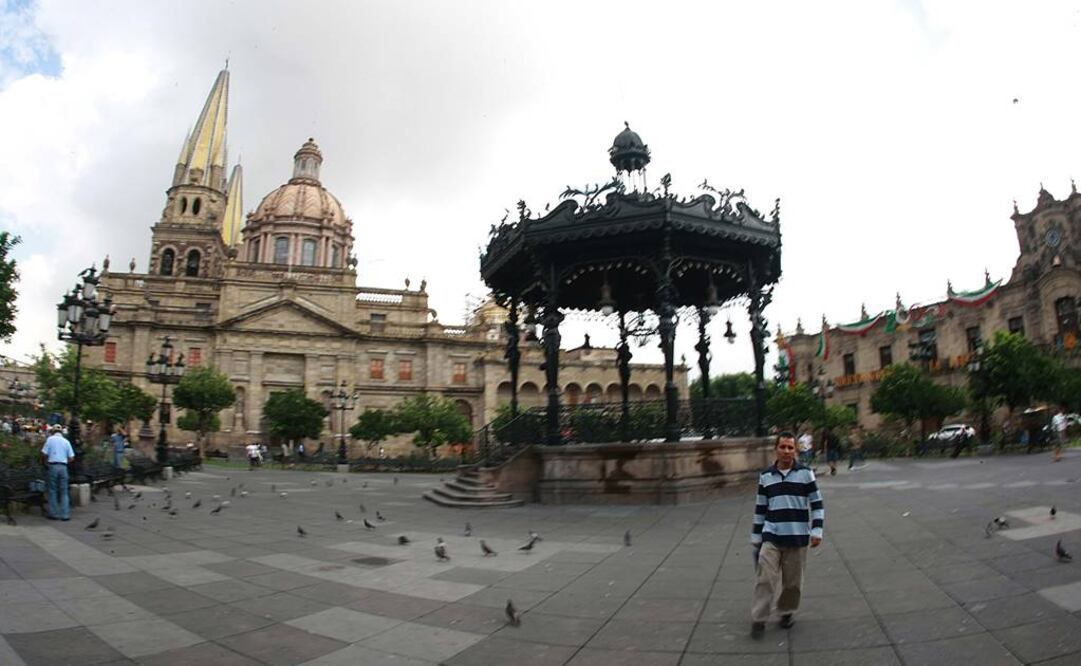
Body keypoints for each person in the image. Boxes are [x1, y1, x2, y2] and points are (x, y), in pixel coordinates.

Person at [750, 432, 824, 639]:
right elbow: (760, 508)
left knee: (792, 583)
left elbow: (817, 504)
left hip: (797, 536)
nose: (786, 451)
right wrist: (756, 536)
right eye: (782, 447)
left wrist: (817, 530)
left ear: (796, 451)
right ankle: (759, 619)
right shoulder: (766, 476)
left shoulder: (806, 474)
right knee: (765, 579)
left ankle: (786, 612)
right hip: (771, 535)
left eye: (790, 447)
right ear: (776, 449)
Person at [40, 424, 76, 521]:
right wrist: (64, 461)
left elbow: (43, 453)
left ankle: (54, 513)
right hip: (63, 467)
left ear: (53, 431)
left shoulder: (50, 439)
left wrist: (45, 462)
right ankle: (65, 514)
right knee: (64, 491)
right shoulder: (66, 441)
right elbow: (72, 457)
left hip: (53, 466)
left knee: (52, 490)